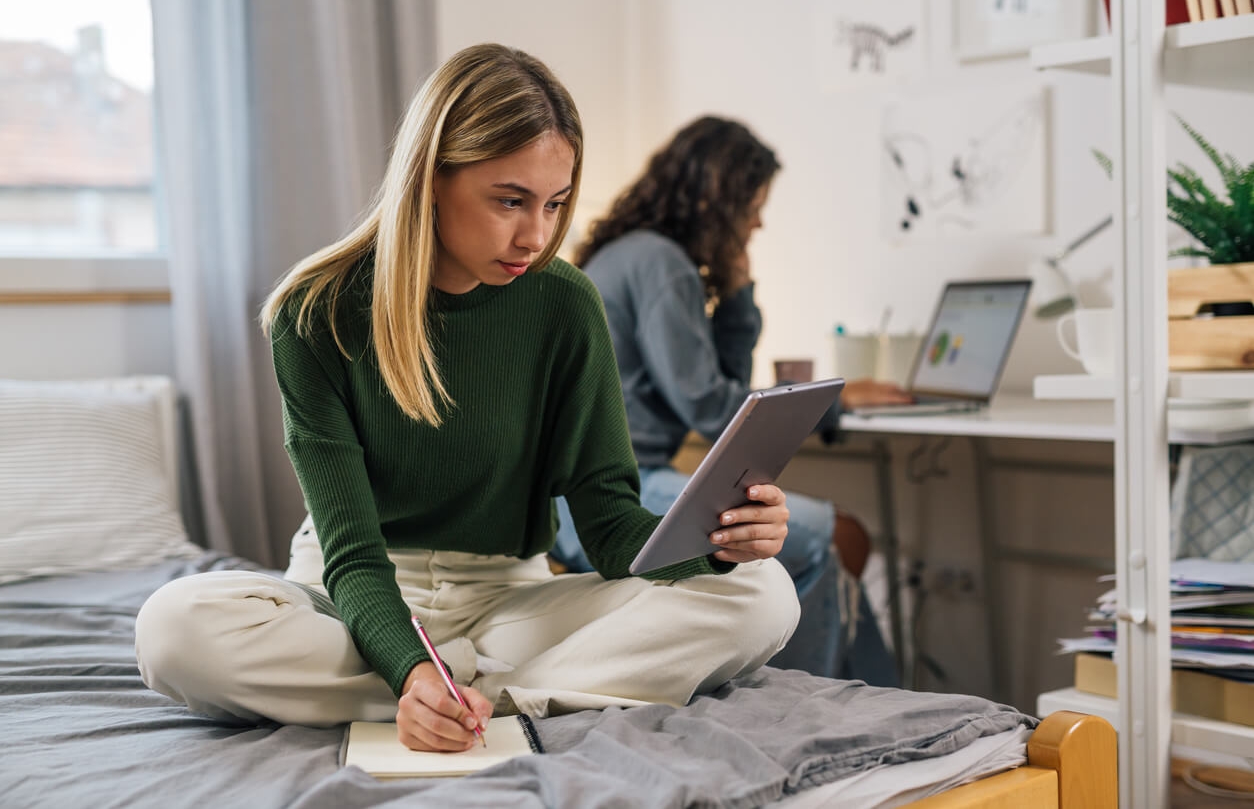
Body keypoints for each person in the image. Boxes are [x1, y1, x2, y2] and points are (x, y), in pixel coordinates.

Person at [133, 45, 801, 753]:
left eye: (555, 204)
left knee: (764, 593)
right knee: (173, 629)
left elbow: (607, 526)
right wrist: (409, 667)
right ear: (430, 178)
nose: (536, 235)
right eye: (509, 201)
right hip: (349, 599)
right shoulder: (316, 310)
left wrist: (718, 548)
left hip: (506, 602)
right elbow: (354, 560)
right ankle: (467, 688)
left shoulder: (566, 303)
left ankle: (476, 700)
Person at [550, 116, 910, 684]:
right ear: (718, 198)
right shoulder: (661, 264)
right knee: (821, 537)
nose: (759, 221)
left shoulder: (643, 255)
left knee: (833, 536)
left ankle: (879, 695)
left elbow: (720, 391)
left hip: (612, 483)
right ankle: (803, 705)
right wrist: (834, 405)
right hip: (605, 496)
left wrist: (738, 297)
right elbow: (713, 409)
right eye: (753, 206)